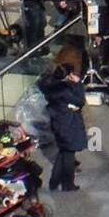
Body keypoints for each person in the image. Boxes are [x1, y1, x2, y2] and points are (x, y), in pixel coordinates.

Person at [39, 63, 87, 192]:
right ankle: (68, 184)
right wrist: (78, 84)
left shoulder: (49, 86)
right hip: (68, 124)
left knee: (64, 151)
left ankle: (54, 182)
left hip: (58, 123)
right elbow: (80, 101)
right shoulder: (64, 90)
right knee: (69, 154)